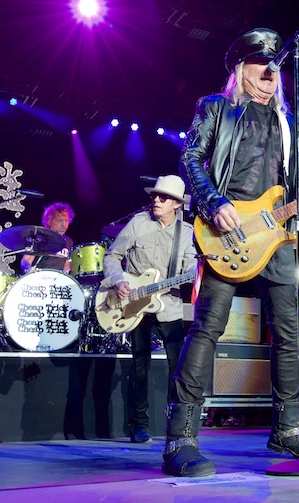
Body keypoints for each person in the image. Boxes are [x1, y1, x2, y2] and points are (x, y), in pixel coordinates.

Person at [161, 27, 299, 477]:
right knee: (207, 330)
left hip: (275, 236)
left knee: (290, 335)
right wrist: (214, 203)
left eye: (276, 68)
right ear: (241, 69)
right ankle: (180, 436)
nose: (271, 74)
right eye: (262, 65)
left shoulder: (287, 122)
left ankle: (286, 432)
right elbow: (191, 159)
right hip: (226, 232)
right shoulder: (216, 108)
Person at [99, 175, 196, 444]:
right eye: (154, 196)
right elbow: (112, 256)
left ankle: (176, 425)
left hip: (170, 306)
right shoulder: (138, 223)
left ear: (176, 203)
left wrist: (195, 272)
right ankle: (138, 426)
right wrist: (118, 280)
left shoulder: (186, 233)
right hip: (134, 304)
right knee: (139, 365)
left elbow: (191, 268)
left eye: (163, 198)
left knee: (179, 368)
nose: (156, 200)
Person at [21, 202, 74, 274]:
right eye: (60, 220)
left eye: (66, 220)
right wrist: (29, 269)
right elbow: (26, 261)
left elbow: (66, 266)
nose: (64, 225)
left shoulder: (68, 241)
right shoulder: (39, 238)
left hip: (58, 282)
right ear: (49, 220)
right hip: (40, 279)